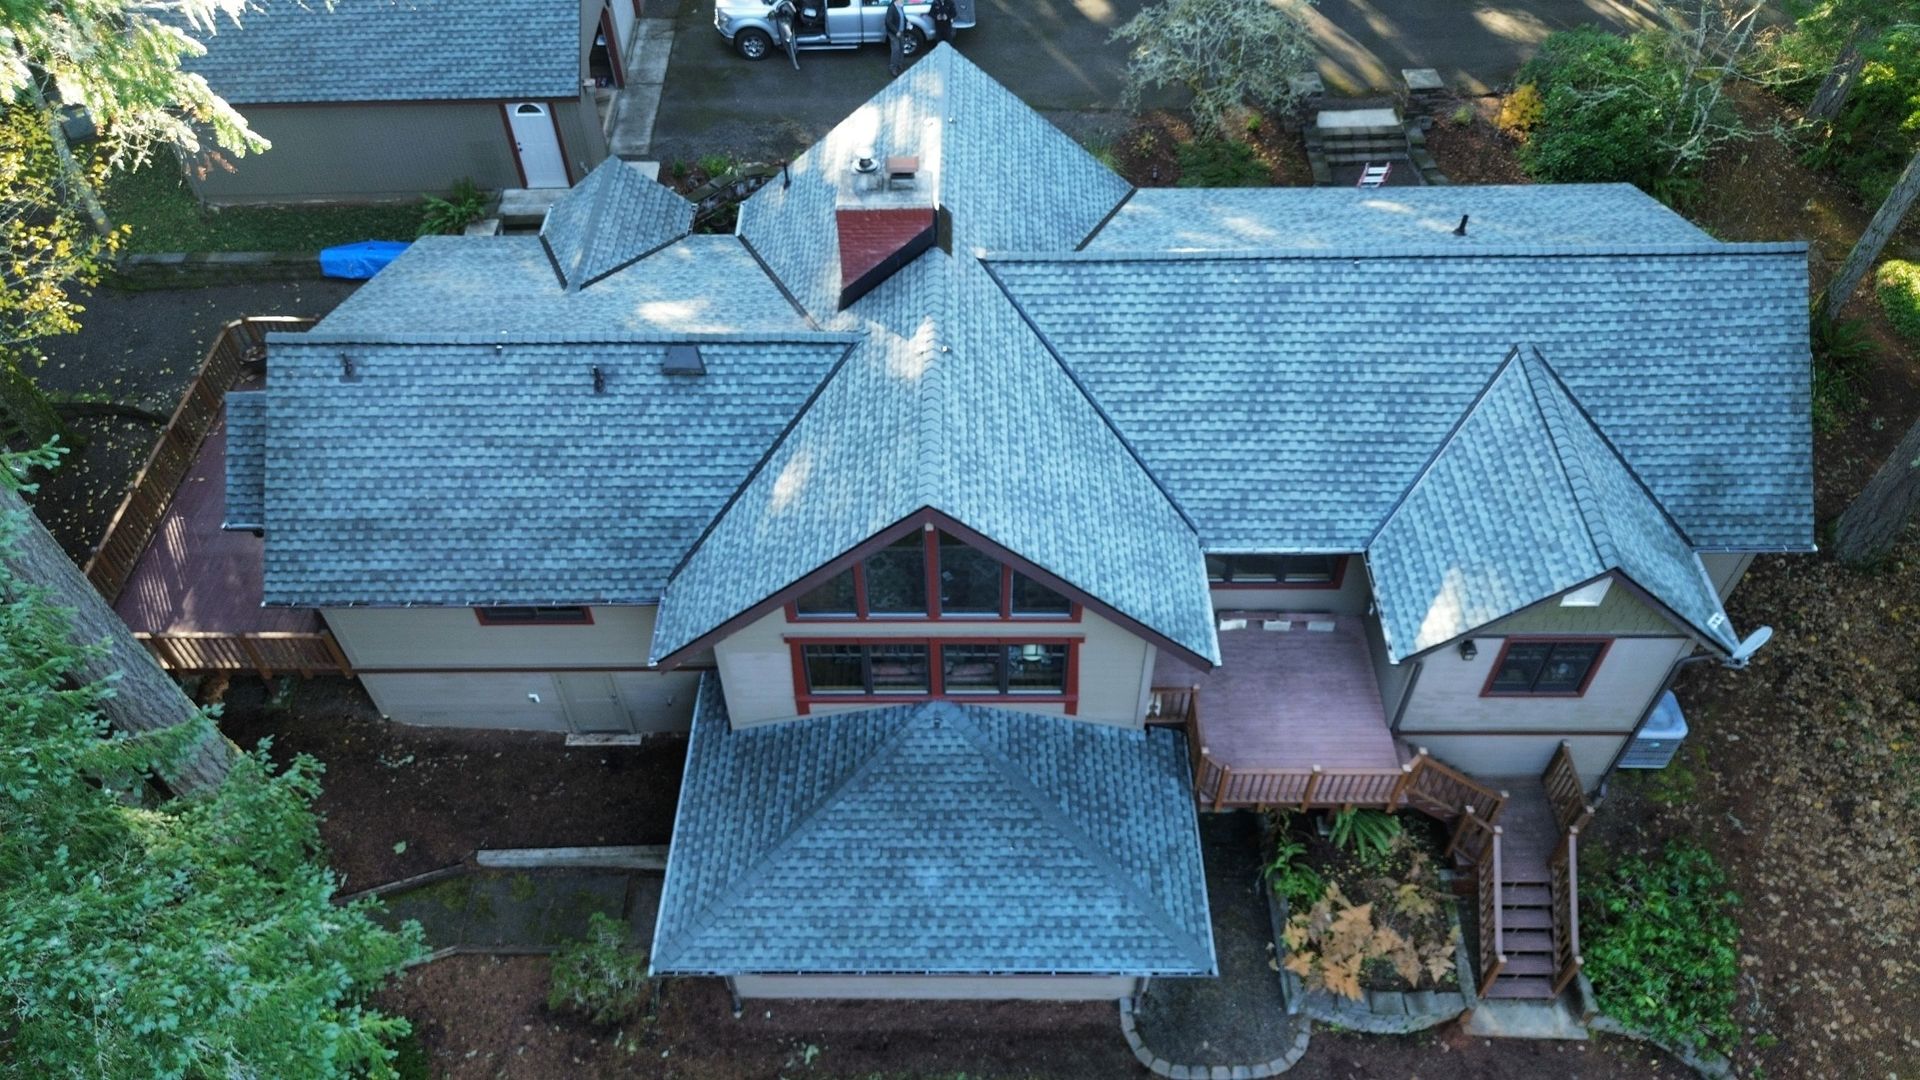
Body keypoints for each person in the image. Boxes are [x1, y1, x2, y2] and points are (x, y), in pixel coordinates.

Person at [885, 0, 907, 77]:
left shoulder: (900, 6)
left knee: (902, 47)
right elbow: (888, 22)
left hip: (901, 31)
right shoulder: (891, 8)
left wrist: (907, 22)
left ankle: (900, 64)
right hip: (894, 33)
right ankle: (893, 68)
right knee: (896, 49)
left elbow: (903, 17)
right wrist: (896, 31)